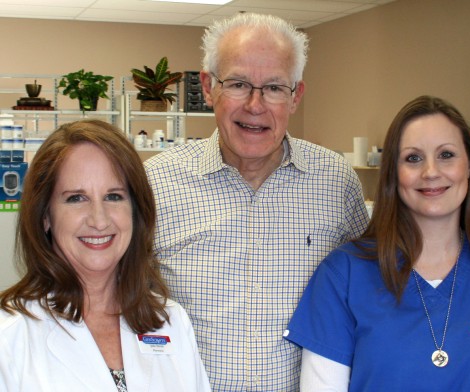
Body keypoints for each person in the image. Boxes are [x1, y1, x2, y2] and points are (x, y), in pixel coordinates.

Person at [144, 12, 369, 391]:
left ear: (296, 95)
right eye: (238, 84)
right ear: (209, 87)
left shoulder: (335, 181)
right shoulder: (156, 183)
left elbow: (371, 291)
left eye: (274, 88)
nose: (254, 104)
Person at [284, 95, 470, 391]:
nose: (430, 172)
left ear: (468, 166)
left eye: (446, 155)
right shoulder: (344, 275)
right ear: (393, 173)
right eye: (413, 158)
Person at [0, 120, 211, 392]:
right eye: (76, 198)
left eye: (113, 196)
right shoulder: (9, 333)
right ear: (45, 216)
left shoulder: (171, 321)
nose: (99, 221)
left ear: (135, 211)